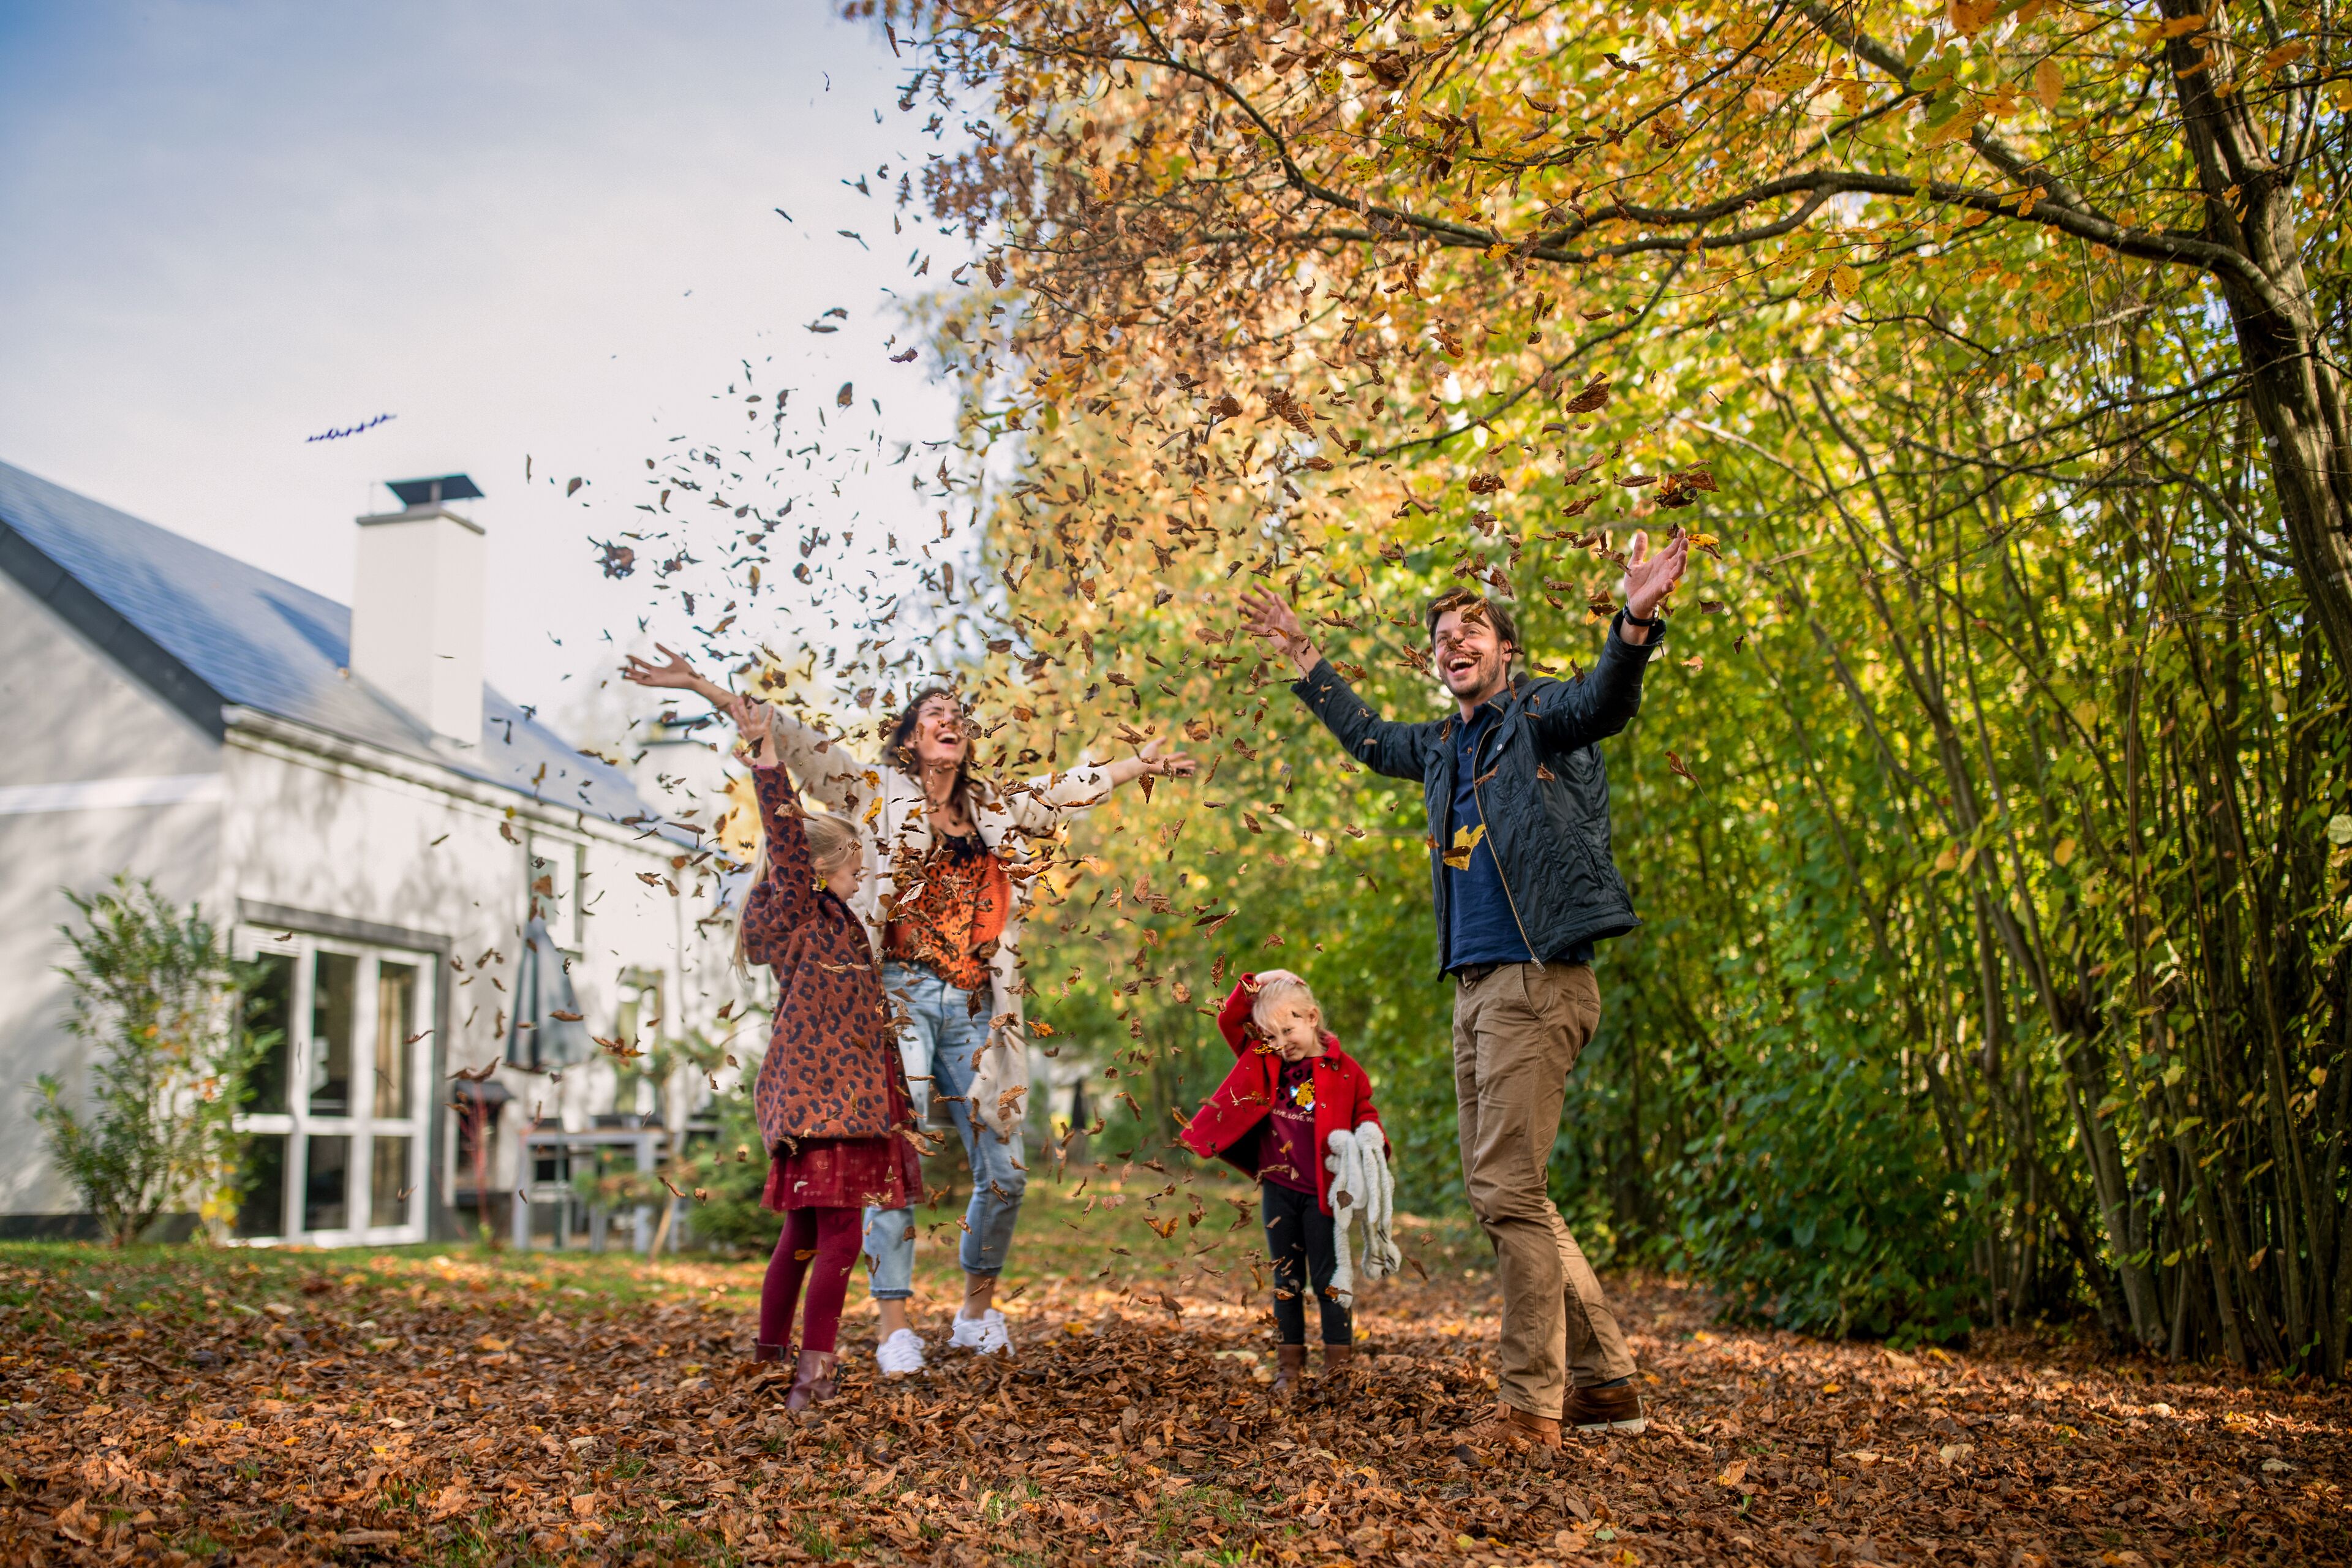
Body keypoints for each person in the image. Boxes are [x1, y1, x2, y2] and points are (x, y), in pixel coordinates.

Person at [1238, 527, 1689, 1450]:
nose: (1456, 642)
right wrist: (1306, 658)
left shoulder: (1544, 718)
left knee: (1506, 1193)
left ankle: (1532, 1407)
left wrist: (1635, 619)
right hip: (1475, 989)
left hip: (1539, 980)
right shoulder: (1445, 746)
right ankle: (1605, 1386)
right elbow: (1369, 738)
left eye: (1474, 628)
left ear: (1507, 649)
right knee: (1513, 1194)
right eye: (1443, 634)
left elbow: (1608, 699)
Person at [624, 651, 1192, 1371]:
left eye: (957, 715)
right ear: (910, 737)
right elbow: (790, 737)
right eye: (934, 714)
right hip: (895, 996)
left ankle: (974, 1312)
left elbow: (1060, 793)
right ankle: (894, 1324)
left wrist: (1135, 767)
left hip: (980, 1004)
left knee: (1007, 1171)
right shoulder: (872, 788)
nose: (949, 721)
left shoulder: (988, 805)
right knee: (895, 1146)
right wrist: (706, 686)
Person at [729, 695, 920, 1411]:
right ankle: (812, 1375)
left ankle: (770, 1356)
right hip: (822, 1102)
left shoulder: (838, 923)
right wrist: (767, 757)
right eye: (857, 864)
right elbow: (784, 838)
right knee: (840, 1235)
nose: (864, 875)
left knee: (804, 1234)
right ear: (825, 866)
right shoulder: (801, 907)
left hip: (837, 1100)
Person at [1180, 970, 1383, 1391]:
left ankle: (1338, 1370)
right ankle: (1289, 1369)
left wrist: (1370, 1137)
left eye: (1288, 1030)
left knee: (1330, 1280)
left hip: (1325, 1196)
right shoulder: (1263, 1057)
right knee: (1286, 1280)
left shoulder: (1346, 1071)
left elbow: (1365, 1110)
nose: (1281, 1042)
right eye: (1271, 1035)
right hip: (1280, 1192)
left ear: (1312, 1017)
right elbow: (1228, 1021)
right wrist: (1257, 981)